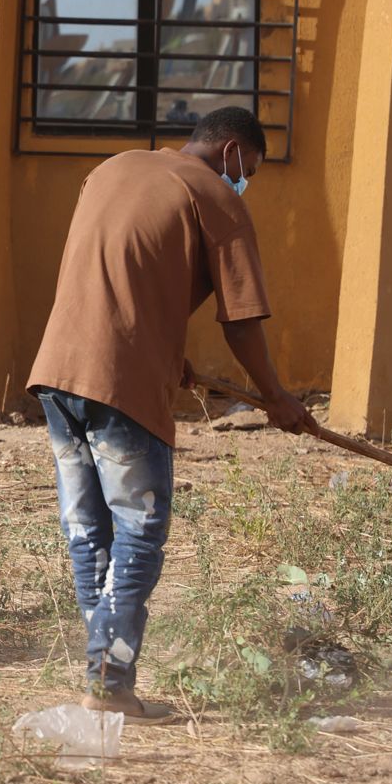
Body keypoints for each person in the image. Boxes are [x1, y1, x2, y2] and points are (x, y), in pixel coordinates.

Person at [27, 106, 310, 722]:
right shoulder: (217, 195)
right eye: (250, 170)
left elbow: (118, 274)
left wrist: (168, 349)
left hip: (56, 371)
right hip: (120, 382)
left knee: (87, 530)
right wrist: (278, 398)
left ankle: (102, 674)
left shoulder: (111, 170)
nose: (246, 182)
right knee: (139, 529)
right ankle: (109, 682)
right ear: (232, 151)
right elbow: (241, 321)